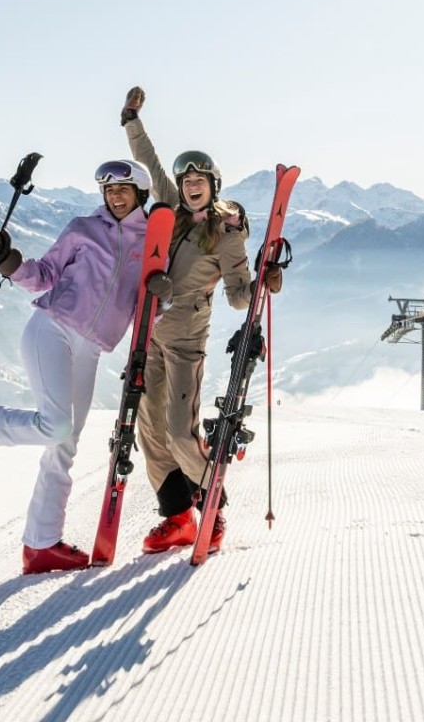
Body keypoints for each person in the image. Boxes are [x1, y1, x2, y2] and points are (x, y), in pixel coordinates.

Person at [0, 158, 162, 575]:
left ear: (140, 193)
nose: (115, 196)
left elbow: (145, 314)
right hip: (52, 328)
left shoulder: (152, 243)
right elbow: (44, 274)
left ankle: (41, 544)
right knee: (55, 425)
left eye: (122, 190)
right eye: (108, 190)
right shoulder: (83, 228)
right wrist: (7, 260)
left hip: (93, 347)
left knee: (64, 444)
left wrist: (163, 296)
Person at [119, 86, 282, 555]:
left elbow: (238, 297)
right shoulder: (169, 207)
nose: (190, 186)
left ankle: (212, 504)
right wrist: (131, 120)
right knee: (148, 431)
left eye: (199, 180)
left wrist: (265, 284)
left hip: (186, 339)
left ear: (213, 185)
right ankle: (176, 518)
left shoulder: (224, 233)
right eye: (185, 180)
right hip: (148, 332)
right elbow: (149, 163)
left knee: (178, 431)